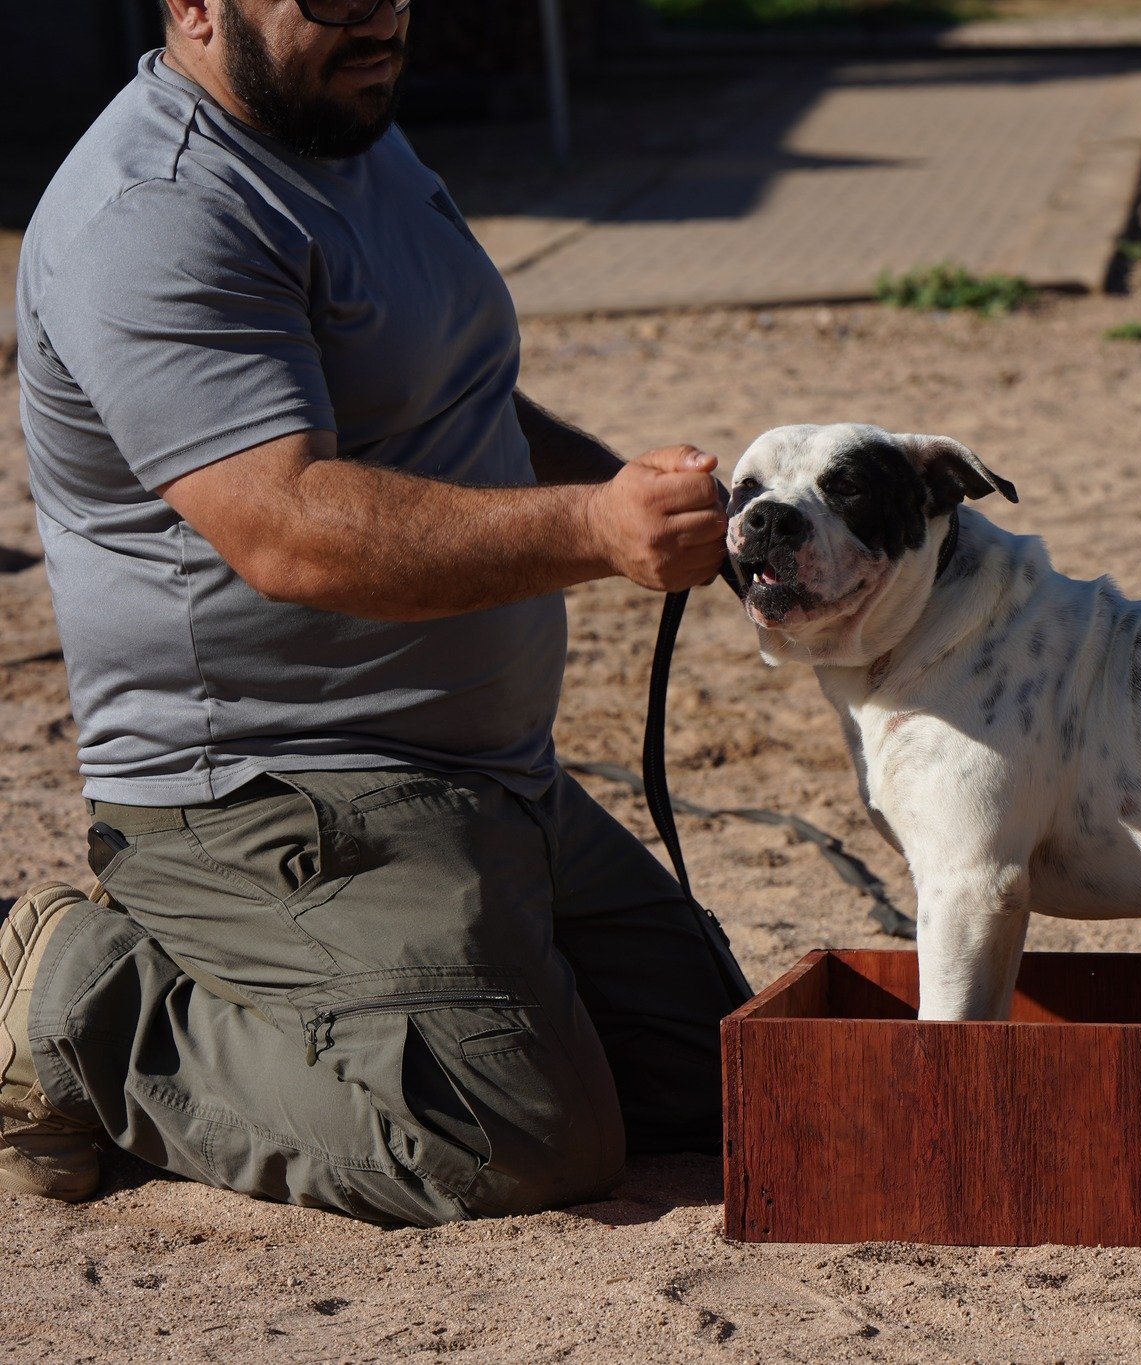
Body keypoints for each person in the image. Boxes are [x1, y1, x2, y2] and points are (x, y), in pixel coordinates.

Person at [1, 0, 752, 1225]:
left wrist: (648, 499)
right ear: (194, 7)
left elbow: (464, 418)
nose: (380, 16)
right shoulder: (155, 213)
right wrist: (597, 531)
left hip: (486, 782)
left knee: (739, 1082)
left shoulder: (346, 133)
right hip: (268, 796)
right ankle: (53, 993)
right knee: (507, 1137)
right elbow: (287, 527)